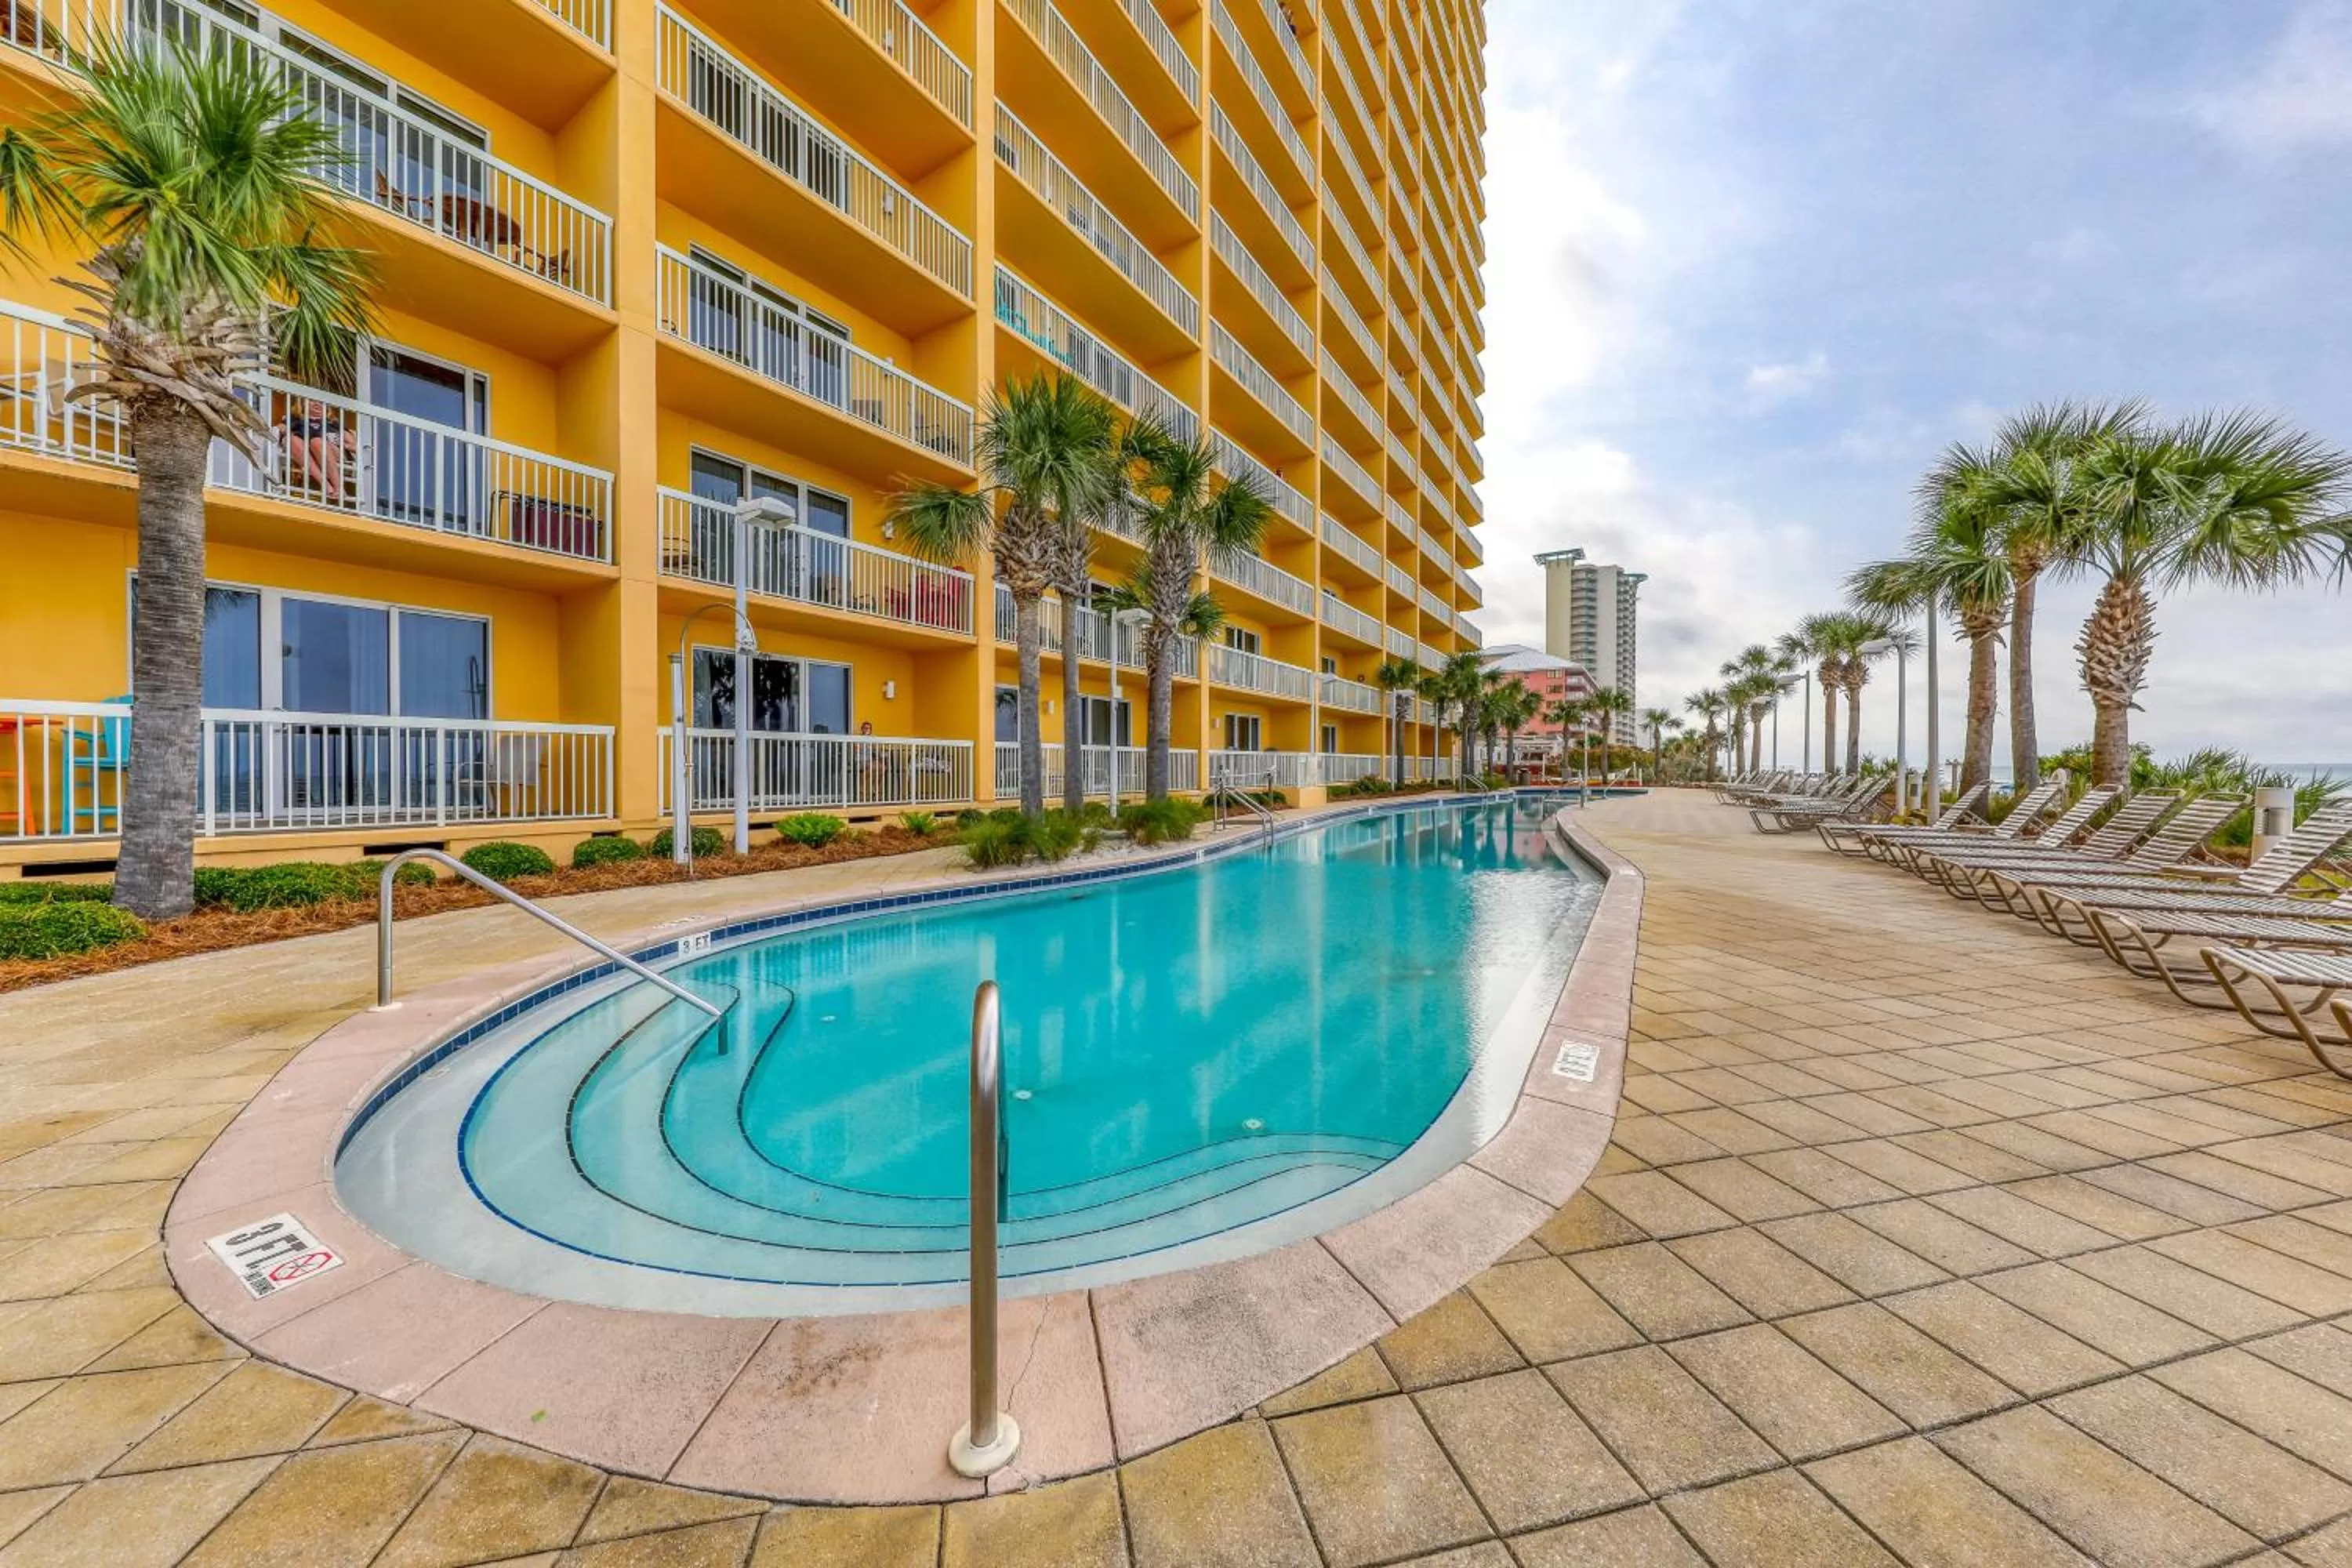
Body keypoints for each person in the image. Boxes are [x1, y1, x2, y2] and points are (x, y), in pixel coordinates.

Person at [285, 397, 345, 502]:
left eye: (321, 401)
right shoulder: (296, 420)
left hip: (332, 451)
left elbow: (354, 445)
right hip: (305, 451)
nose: (317, 403)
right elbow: (280, 429)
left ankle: (339, 487)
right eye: (313, 400)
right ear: (303, 403)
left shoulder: (332, 423)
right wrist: (283, 430)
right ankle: (326, 485)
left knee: (316, 442)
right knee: (292, 439)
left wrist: (335, 442)